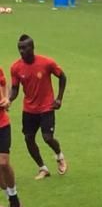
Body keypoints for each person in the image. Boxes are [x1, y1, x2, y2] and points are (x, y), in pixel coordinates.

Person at [8, 35, 67, 179]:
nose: (21, 51)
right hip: (29, 109)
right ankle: (43, 168)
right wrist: (8, 99)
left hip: (46, 107)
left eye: (24, 48)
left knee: (47, 137)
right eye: (19, 48)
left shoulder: (46, 63)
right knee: (28, 138)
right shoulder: (16, 67)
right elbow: (15, 89)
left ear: (32, 48)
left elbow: (62, 77)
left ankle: (59, 156)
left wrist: (59, 98)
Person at [0, 66, 22, 207]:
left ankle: (14, 196)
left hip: (2, 124)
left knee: (3, 162)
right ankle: (8, 194)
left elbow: (3, 83)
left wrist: (6, 98)